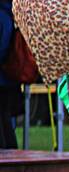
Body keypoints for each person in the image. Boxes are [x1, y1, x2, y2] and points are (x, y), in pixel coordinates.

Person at [0, 0, 21, 149]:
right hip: (8, 78)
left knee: (4, 122)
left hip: (2, 77)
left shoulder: (3, 15)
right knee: (5, 119)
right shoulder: (11, 13)